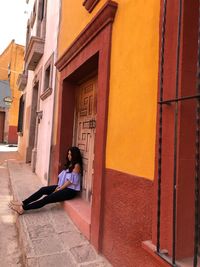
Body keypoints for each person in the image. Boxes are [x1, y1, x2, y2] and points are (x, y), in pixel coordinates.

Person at [9, 146, 83, 215]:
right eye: (68, 154)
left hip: (70, 191)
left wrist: (59, 189)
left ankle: (22, 209)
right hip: (63, 187)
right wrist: (59, 187)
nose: (68, 156)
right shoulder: (71, 164)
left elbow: (70, 182)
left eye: (70, 154)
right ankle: (23, 203)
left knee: (46, 199)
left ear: (75, 155)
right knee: (43, 190)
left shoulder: (77, 165)